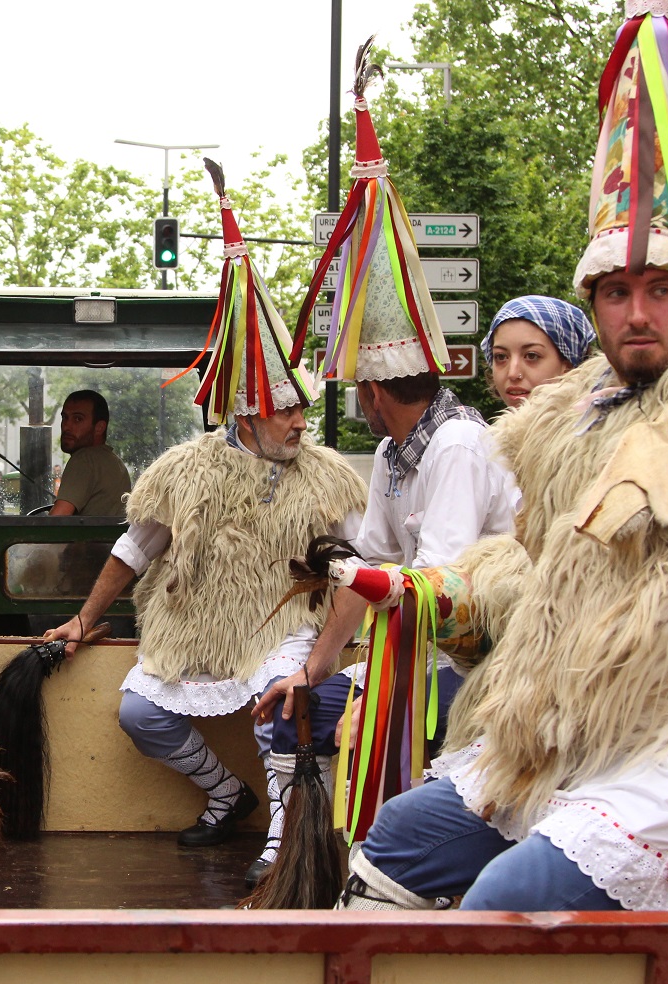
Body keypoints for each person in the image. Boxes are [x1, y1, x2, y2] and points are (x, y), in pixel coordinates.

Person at [337, 1, 668, 913]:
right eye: (618, 290)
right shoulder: (575, 414)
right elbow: (539, 570)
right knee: (399, 839)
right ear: (594, 301)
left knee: (507, 894)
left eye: (659, 288)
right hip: (583, 728)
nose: (638, 312)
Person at [46, 160, 368, 853]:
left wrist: (337, 648)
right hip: (192, 631)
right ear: (247, 412)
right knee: (139, 715)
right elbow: (133, 550)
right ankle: (227, 793)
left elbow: (360, 566)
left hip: (283, 632)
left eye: (302, 408)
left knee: (284, 701)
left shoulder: (329, 477)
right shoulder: (183, 469)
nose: (300, 422)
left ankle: (285, 842)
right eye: (286, 410)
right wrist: (84, 618)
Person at [251, 58, 518, 889]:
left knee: (360, 728)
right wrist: (315, 669)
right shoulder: (398, 454)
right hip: (417, 653)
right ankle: (302, 858)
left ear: (373, 390)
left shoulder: (457, 445)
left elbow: (433, 590)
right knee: (290, 707)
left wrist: (360, 676)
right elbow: (362, 572)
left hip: (481, 664)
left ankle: (383, 867)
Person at [482, 296, 595, 409]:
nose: (513, 374)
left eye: (531, 356)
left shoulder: (597, 419)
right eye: (501, 357)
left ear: (568, 367)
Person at [49, 390, 131, 517]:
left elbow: (56, 520)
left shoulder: (84, 460)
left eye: (78, 419)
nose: (66, 426)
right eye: (65, 417)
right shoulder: (116, 463)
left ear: (99, 427)